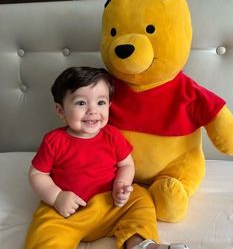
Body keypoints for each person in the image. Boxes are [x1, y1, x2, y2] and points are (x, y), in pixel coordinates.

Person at [24, 67, 188, 249]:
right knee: (44, 229)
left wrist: (121, 185)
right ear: (61, 110)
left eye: (100, 103)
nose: (92, 111)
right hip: (67, 211)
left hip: (110, 205)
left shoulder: (112, 135)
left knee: (141, 198)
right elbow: (37, 175)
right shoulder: (54, 141)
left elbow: (126, 164)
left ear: (109, 105)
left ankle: (139, 243)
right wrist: (56, 197)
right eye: (81, 103)